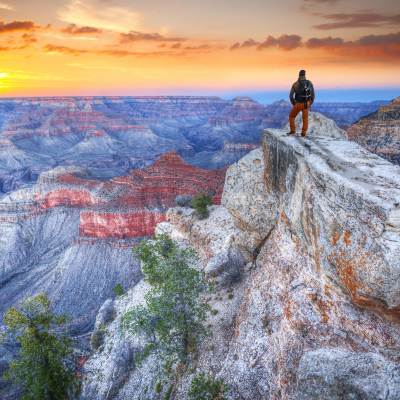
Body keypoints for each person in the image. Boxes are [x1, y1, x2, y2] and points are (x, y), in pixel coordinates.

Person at [288, 69, 315, 137]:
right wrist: (310, 103)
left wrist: (294, 103)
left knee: (291, 116)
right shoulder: (309, 83)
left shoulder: (295, 84)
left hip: (298, 103)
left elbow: (291, 96)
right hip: (307, 103)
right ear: (304, 75)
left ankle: (293, 131)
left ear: (299, 75)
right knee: (305, 118)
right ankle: (303, 133)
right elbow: (313, 95)